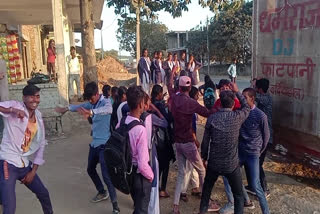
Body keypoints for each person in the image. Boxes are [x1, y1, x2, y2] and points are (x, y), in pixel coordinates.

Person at [55, 82, 120, 213]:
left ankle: (115, 206)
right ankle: (102, 191)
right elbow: (78, 107)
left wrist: (91, 112)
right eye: (89, 99)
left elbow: (109, 110)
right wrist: (66, 109)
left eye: (92, 98)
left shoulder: (106, 102)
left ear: (97, 94)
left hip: (104, 145)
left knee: (106, 175)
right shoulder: (91, 103)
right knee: (90, 169)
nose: (90, 101)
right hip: (94, 144)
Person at [0, 84, 53, 214]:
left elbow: (41, 144)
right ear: (24, 98)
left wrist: (33, 171)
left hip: (24, 164)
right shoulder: (16, 105)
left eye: (37, 96)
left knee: (44, 194)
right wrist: (12, 110)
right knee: (9, 207)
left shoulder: (38, 117)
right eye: (31, 97)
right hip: (8, 162)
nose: (35, 100)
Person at [199, 83, 250, 214]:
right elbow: (247, 107)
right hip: (231, 165)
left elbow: (205, 142)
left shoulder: (212, 119)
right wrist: (238, 91)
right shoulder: (237, 117)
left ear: (220, 103)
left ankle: (203, 211)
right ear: (233, 104)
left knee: (206, 191)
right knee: (238, 195)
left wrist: (204, 157)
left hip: (214, 163)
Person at [170, 76, 212, 214]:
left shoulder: (174, 98)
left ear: (179, 87)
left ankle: (175, 206)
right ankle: (206, 202)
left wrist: (172, 74)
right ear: (189, 87)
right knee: (201, 170)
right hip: (188, 141)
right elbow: (207, 113)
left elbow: (170, 87)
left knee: (181, 173)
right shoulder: (191, 103)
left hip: (178, 142)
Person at [237, 88, 270, 214]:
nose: (242, 100)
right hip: (241, 151)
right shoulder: (241, 112)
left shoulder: (261, 115)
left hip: (253, 154)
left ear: (252, 98)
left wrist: (259, 151)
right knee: (232, 177)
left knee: (256, 185)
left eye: (245, 97)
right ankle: (245, 201)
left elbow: (266, 136)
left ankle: (266, 211)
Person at [123, 86, 154, 214]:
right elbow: (142, 164)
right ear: (141, 104)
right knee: (141, 209)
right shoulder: (140, 129)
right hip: (140, 176)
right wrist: (151, 176)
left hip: (127, 173)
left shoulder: (123, 121)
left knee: (137, 206)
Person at [246, 78, 273, 197]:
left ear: (260, 89)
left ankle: (264, 189)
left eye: (257, 87)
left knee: (258, 164)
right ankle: (252, 186)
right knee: (253, 162)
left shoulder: (265, 98)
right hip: (261, 136)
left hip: (265, 137)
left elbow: (251, 96)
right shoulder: (266, 97)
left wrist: (252, 87)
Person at [151, 85, 175, 198]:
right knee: (165, 165)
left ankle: (155, 187)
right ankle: (162, 189)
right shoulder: (159, 105)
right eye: (161, 93)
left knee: (158, 165)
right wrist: (169, 110)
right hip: (163, 138)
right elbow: (167, 120)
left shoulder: (152, 103)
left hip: (155, 139)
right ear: (159, 94)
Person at [180, 86, 201, 202]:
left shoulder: (188, 108)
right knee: (189, 167)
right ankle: (183, 191)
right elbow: (191, 128)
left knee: (192, 166)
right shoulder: (192, 111)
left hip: (186, 140)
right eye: (197, 95)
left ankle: (195, 187)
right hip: (189, 141)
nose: (199, 96)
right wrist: (195, 140)